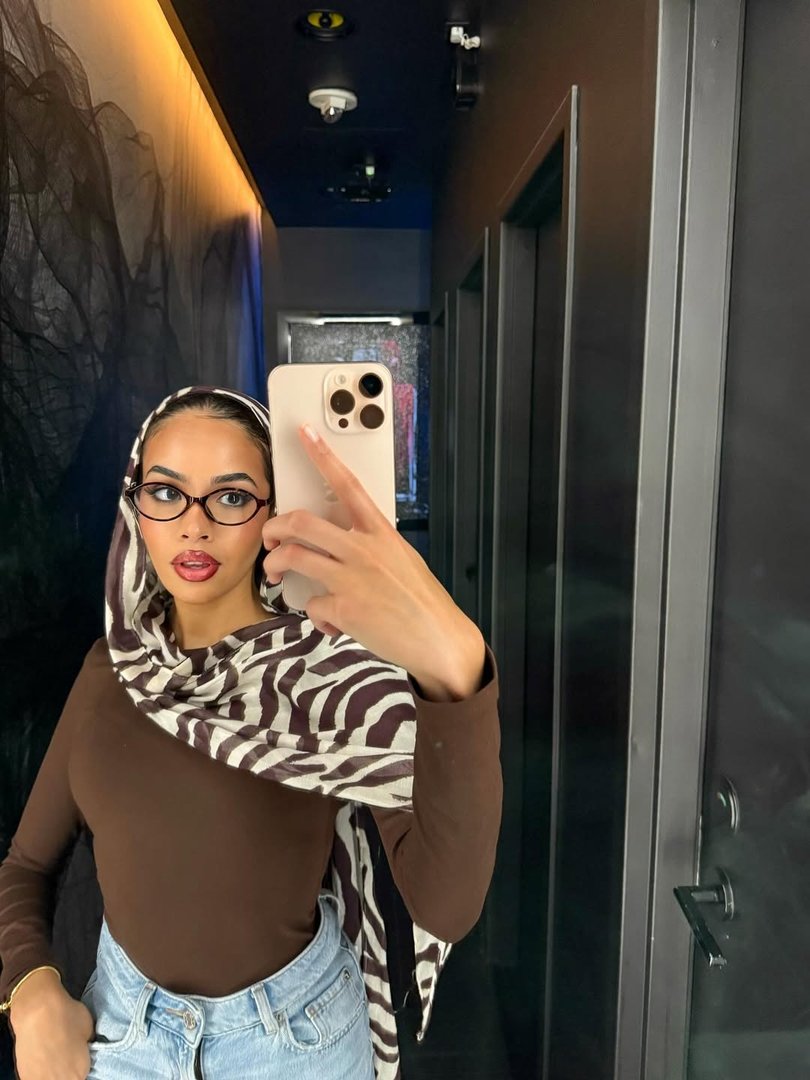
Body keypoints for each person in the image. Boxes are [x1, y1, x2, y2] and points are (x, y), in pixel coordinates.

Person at [0, 385, 503, 1080]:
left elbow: (446, 907)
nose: (194, 526)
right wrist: (30, 991)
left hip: (296, 1047)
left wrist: (458, 668)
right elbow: (26, 865)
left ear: (274, 512)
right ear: (135, 508)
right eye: (166, 492)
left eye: (232, 497)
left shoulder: (333, 675)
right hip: (120, 1041)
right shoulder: (111, 671)